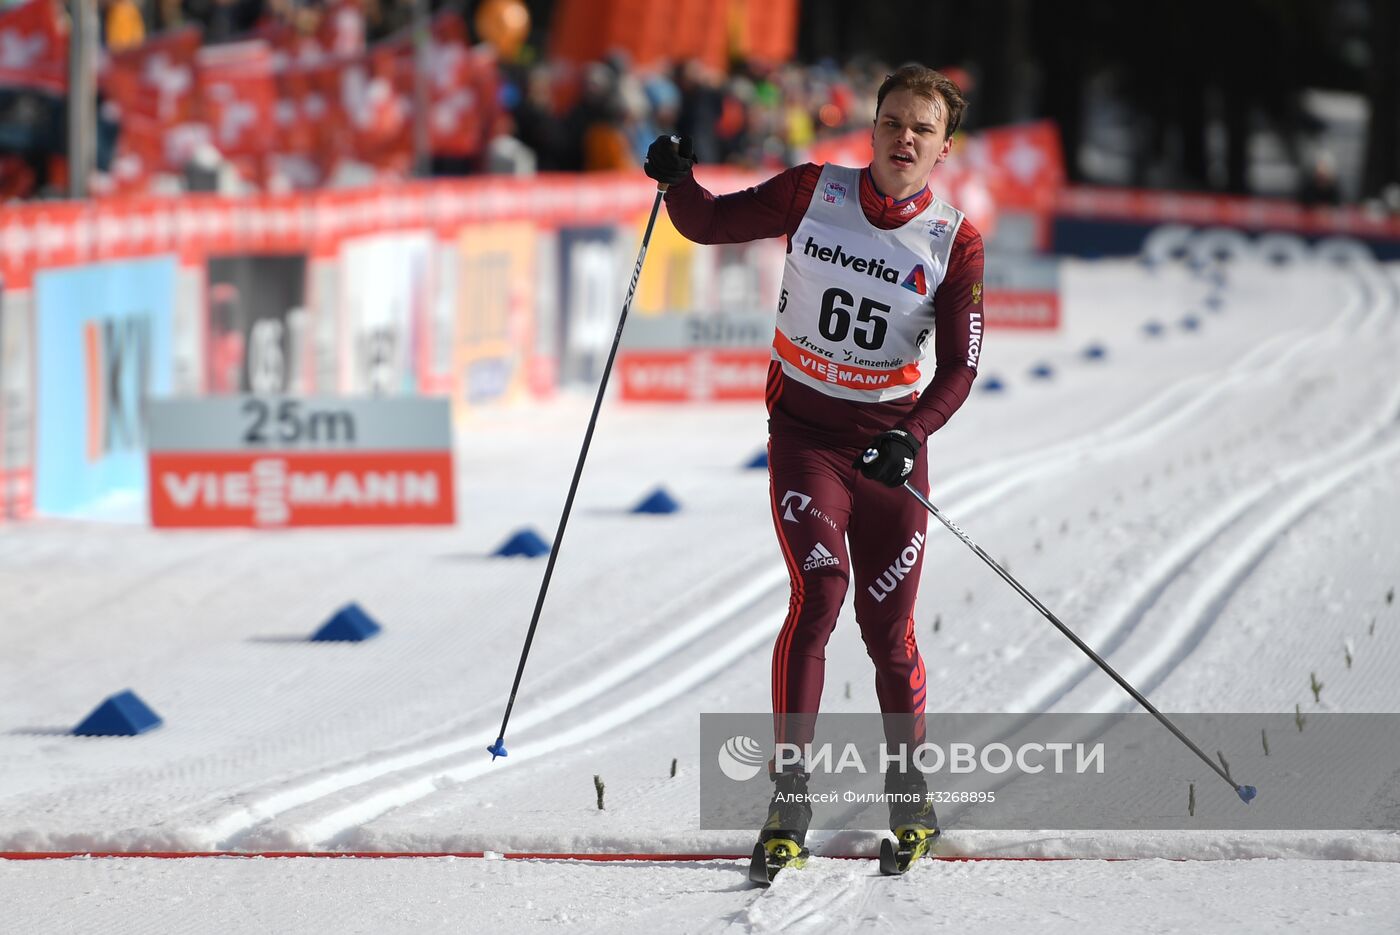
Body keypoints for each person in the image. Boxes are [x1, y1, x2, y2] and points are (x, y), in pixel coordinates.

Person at [644, 64, 984, 867]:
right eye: (893, 121)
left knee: (889, 636)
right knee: (821, 591)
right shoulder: (813, 191)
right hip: (806, 440)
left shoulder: (954, 239)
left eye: (922, 129)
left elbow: (962, 366)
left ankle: (913, 802)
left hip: (889, 454)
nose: (905, 137)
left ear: (943, 148)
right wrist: (675, 177)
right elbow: (706, 224)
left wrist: (914, 434)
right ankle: (788, 803)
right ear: (870, 128)